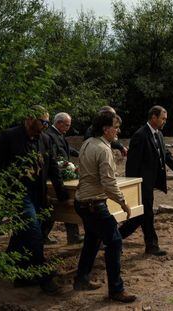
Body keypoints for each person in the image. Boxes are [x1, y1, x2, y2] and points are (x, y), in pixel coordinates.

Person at [0, 105, 68, 294]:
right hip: (16, 194)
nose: (46, 125)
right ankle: (44, 277)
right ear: (30, 118)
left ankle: (21, 276)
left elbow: (52, 166)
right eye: (43, 122)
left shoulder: (45, 139)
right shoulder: (9, 136)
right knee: (33, 232)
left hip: (37, 193)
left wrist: (61, 192)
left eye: (48, 122)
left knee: (23, 234)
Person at [73, 111, 136, 303]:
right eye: (116, 127)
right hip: (93, 203)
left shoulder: (87, 143)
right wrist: (123, 202)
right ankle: (116, 289)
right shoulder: (103, 149)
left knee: (92, 240)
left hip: (82, 202)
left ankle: (81, 279)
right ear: (105, 129)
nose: (118, 131)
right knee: (115, 242)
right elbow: (109, 183)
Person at [119, 105, 173, 256]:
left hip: (150, 183)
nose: (165, 121)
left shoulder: (158, 134)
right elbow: (132, 164)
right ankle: (148, 245)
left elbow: (166, 155)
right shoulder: (140, 135)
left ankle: (114, 238)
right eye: (162, 118)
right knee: (145, 215)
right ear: (153, 117)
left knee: (142, 215)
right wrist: (134, 186)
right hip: (141, 184)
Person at [44, 112, 83, 245]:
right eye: (66, 125)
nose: (68, 128)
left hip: (63, 173)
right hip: (55, 175)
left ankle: (74, 236)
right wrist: (66, 166)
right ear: (59, 123)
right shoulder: (50, 135)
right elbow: (54, 156)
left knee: (67, 206)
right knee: (56, 207)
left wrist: (79, 153)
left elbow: (66, 148)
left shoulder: (58, 134)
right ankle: (43, 235)